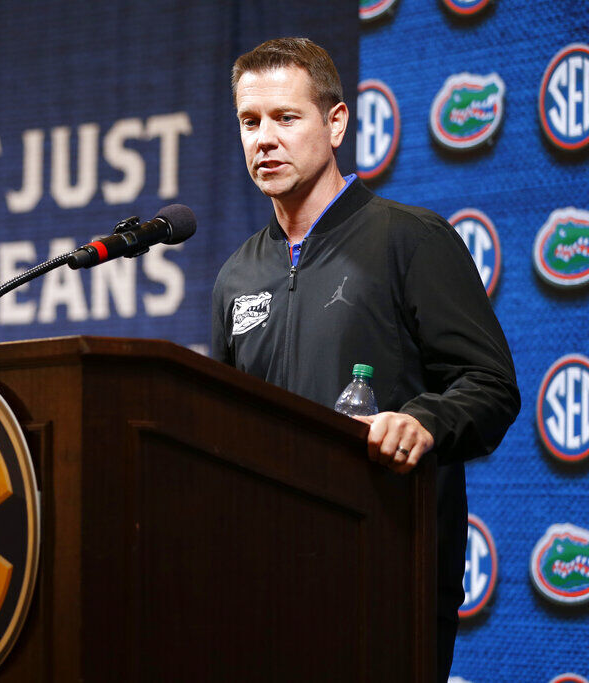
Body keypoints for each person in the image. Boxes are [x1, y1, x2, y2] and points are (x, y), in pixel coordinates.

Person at [211, 37, 520, 681]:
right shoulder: (236, 276)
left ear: (336, 123)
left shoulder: (410, 239)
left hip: (387, 572)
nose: (264, 138)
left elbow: (489, 384)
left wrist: (425, 421)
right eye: (249, 121)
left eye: (285, 118)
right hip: (264, 590)